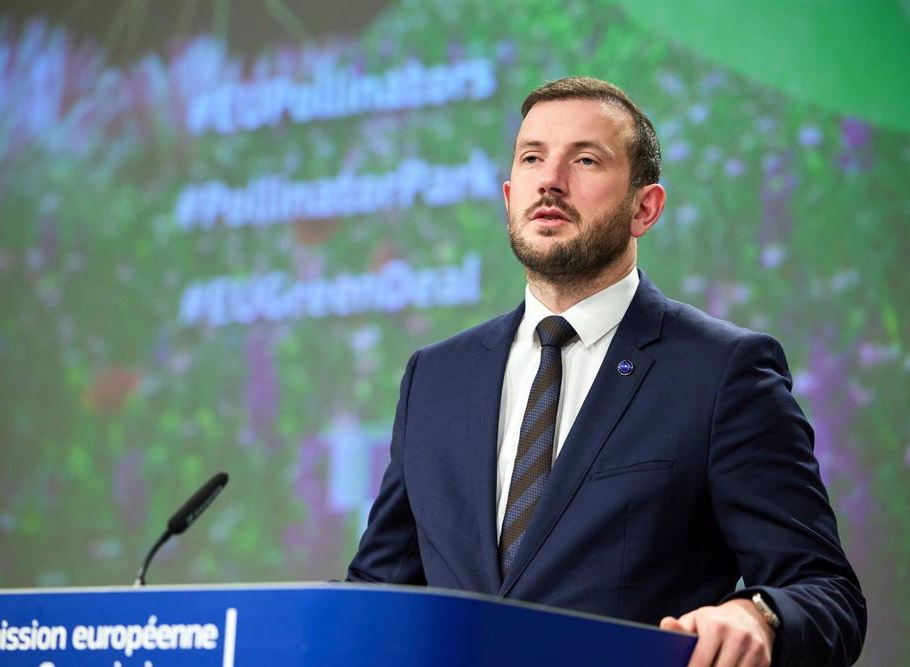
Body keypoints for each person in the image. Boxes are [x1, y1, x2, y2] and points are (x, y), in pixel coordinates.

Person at [346, 76, 866, 667]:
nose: (551, 180)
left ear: (644, 207)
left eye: (585, 159)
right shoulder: (436, 377)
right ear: (510, 195)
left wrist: (759, 614)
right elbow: (377, 593)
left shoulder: (722, 372)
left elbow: (828, 594)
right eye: (533, 157)